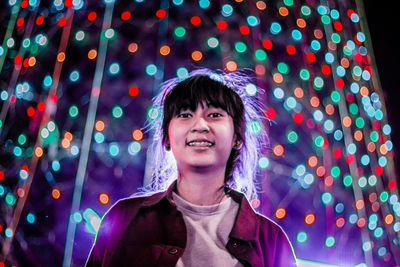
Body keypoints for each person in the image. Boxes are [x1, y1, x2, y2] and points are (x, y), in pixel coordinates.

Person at [86, 69, 297, 266]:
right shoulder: (123, 219)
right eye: (185, 115)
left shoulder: (272, 241)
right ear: (166, 138)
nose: (200, 126)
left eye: (215, 115)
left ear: (237, 138)